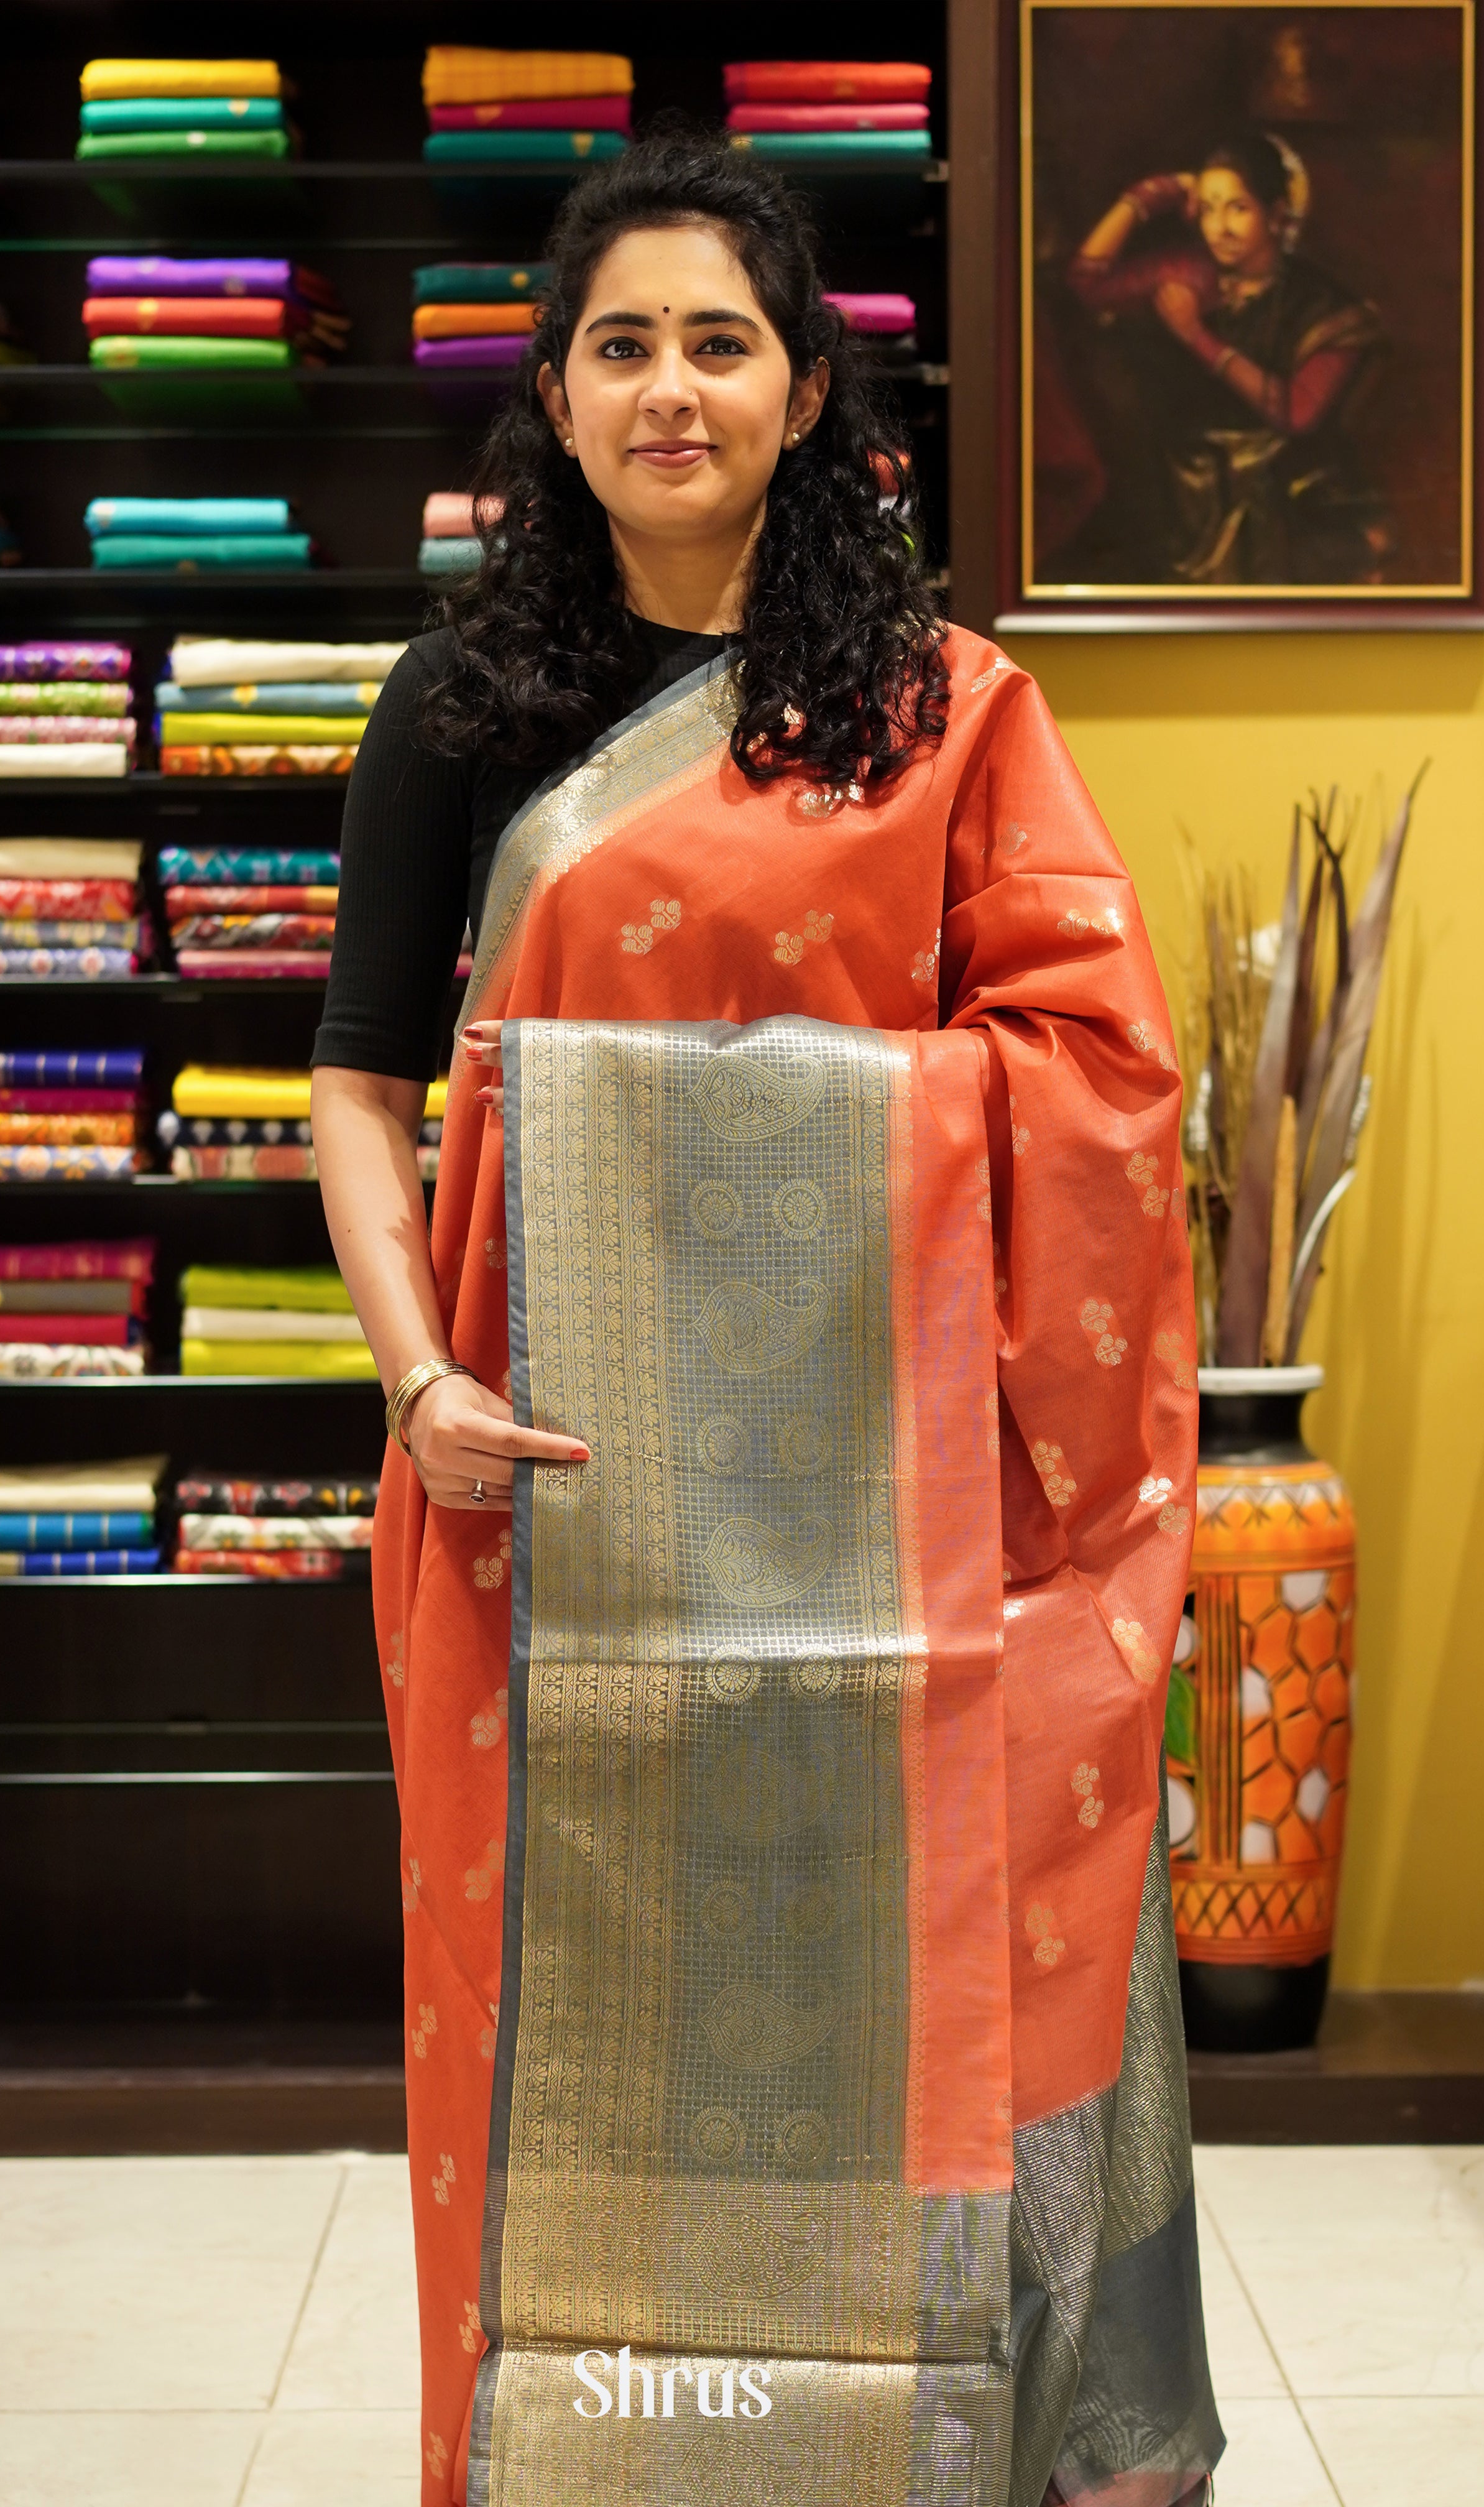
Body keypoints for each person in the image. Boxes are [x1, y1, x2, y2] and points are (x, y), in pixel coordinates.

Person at [311, 129, 1220, 2507]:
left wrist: (793, 1140)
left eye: (720, 339)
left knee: (894, 1994)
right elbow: (351, 1082)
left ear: (805, 391)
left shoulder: (933, 708)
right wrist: (418, 1380)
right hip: (545, 1520)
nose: (671, 387)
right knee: (566, 2015)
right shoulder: (458, 703)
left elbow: (1099, 1084)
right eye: (621, 343)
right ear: (556, 392)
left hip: (896, 1540)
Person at [1066, 131, 1387, 584]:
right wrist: (1150, 195)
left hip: (1283, 496)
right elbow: (1087, 281)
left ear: (1276, 215)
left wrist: (1196, 335)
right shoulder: (1190, 272)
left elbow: (1295, 412)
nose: (1219, 227)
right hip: (1183, 493)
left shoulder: (1326, 308)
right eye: (1210, 209)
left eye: (1238, 208)